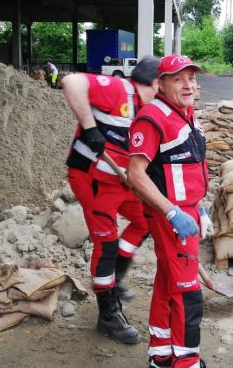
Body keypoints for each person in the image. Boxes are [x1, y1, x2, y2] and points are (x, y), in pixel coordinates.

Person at [61, 56, 160, 345]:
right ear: (155, 83)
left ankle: (114, 279)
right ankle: (108, 316)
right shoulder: (118, 90)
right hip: (92, 179)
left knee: (145, 221)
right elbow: (71, 81)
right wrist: (90, 128)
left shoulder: (151, 110)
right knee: (107, 244)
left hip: (122, 182)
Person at [127, 54, 210, 368]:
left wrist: (198, 208)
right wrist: (173, 212)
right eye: (178, 78)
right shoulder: (152, 117)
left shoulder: (187, 114)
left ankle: (160, 354)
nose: (188, 84)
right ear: (161, 83)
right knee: (188, 293)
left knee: (167, 282)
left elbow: (186, 169)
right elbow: (136, 173)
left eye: (191, 77)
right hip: (171, 218)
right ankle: (187, 362)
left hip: (187, 212)